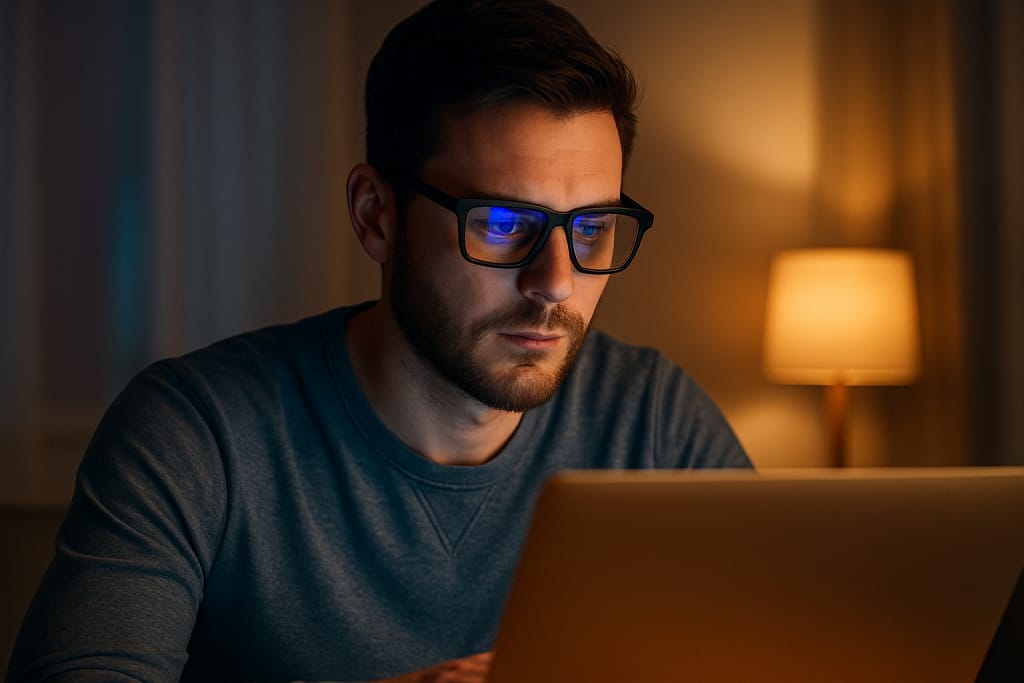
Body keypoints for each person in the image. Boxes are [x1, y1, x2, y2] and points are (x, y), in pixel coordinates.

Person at [7, 0, 751, 681]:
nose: (555, 281)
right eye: (499, 224)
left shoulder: (654, 423)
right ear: (375, 214)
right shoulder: (197, 431)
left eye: (590, 227)